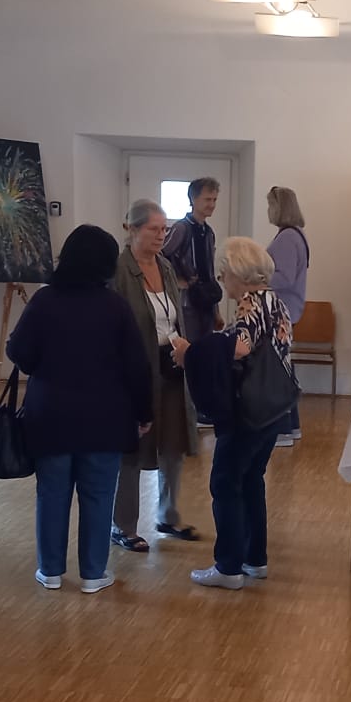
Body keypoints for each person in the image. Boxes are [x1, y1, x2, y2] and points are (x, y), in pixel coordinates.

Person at [7, 225, 154, 594]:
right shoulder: (115, 308)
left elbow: (20, 354)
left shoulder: (43, 301)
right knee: (99, 495)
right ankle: (92, 574)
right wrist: (144, 413)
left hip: (50, 416)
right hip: (105, 419)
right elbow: (138, 367)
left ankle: (51, 571)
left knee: (52, 494)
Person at [176, 238, 294, 591]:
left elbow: (239, 348)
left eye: (224, 273)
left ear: (239, 275)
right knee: (251, 481)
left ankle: (228, 566)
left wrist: (191, 352)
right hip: (274, 407)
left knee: (225, 483)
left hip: (248, 410)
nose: (222, 279)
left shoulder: (249, 304)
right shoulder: (276, 301)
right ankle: (253, 558)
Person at [110, 199, 201, 552]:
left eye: (165, 229)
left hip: (172, 364)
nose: (162, 236)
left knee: (173, 445)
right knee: (132, 448)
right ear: (132, 229)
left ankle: (169, 515)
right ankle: (123, 525)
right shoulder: (118, 271)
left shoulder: (163, 266)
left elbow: (174, 317)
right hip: (137, 368)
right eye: (154, 229)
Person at [266, 186, 309, 447]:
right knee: (283, 367)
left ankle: (282, 427)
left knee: (275, 370)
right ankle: (290, 425)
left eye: (270, 205)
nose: (268, 211)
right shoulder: (295, 236)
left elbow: (283, 277)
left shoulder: (286, 239)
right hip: (288, 309)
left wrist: (253, 276)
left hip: (281, 309)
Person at [161, 176, 223, 343]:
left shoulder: (209, 232)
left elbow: (209, 271)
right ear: (193, 199)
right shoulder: (181, 228)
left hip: (206, 301)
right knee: (189, 349)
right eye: (207, 199)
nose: (212, 204)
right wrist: (176, 280)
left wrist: (216, 310)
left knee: (206, 349)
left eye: (214, 200)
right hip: (187, 303)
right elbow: (159, 255)